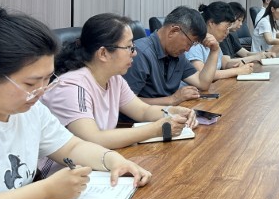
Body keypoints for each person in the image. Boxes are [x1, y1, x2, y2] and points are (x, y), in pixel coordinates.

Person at [0, 7, 151, 199]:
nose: (40, 92)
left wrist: (114, 160)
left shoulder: (27, 107)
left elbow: (71, 147)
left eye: (48, 79)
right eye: (30, 83)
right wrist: (45, 190)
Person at [39, 13, 196, 177]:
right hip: (58, 175)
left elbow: (143, 111)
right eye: (129, 47)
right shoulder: (71, 87)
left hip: (97, 166)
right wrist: (155, 129)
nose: (134, 53)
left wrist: (172, 112)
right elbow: (93, 138)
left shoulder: (114, 79)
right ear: (103, 53)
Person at [123, 6, 219, 105]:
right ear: (174, 31)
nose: (187, 49)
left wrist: (214, 51)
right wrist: (172, 99)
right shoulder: (140, 54)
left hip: (168, 111)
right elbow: (125, 103)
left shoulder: (177, 54)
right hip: (145, 115)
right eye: (189, 43)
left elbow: (202, 83)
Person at [188, 2, 254, 79]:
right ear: (211, 23)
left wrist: (239, 65)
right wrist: (237, 71)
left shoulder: (215, 41)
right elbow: (202, 75)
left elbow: (225, 64)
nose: (227, 32)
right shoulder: (195, 43)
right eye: (226, 27)